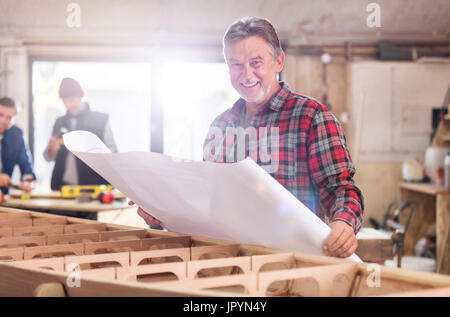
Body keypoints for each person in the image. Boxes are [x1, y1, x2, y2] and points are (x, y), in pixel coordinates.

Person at [137, 17, 364, 259]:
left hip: (295, 264)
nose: (246, 74)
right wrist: (162, 212)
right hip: (227, 263)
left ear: (279, 61)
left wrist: (344, 222)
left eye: (256, 62)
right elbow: (206, 200)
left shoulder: (311, 117)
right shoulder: (220, 125)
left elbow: (341, 188)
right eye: (236, 64)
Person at [44, 77, 117, 191]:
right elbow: (48, 157)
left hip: (93, 188)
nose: (69, 105)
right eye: (65, 101)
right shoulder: (59, 122)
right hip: (62, 188)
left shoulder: (100, 120)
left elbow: (113, 155)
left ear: (81, 96)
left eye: (72, 99)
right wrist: (51, 150)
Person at [0, 97, 35, 194]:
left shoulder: (17, 135)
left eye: (9, 117)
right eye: (0, 115)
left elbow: (26, 163)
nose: (3, 121)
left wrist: (27, 181)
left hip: (4, 197)